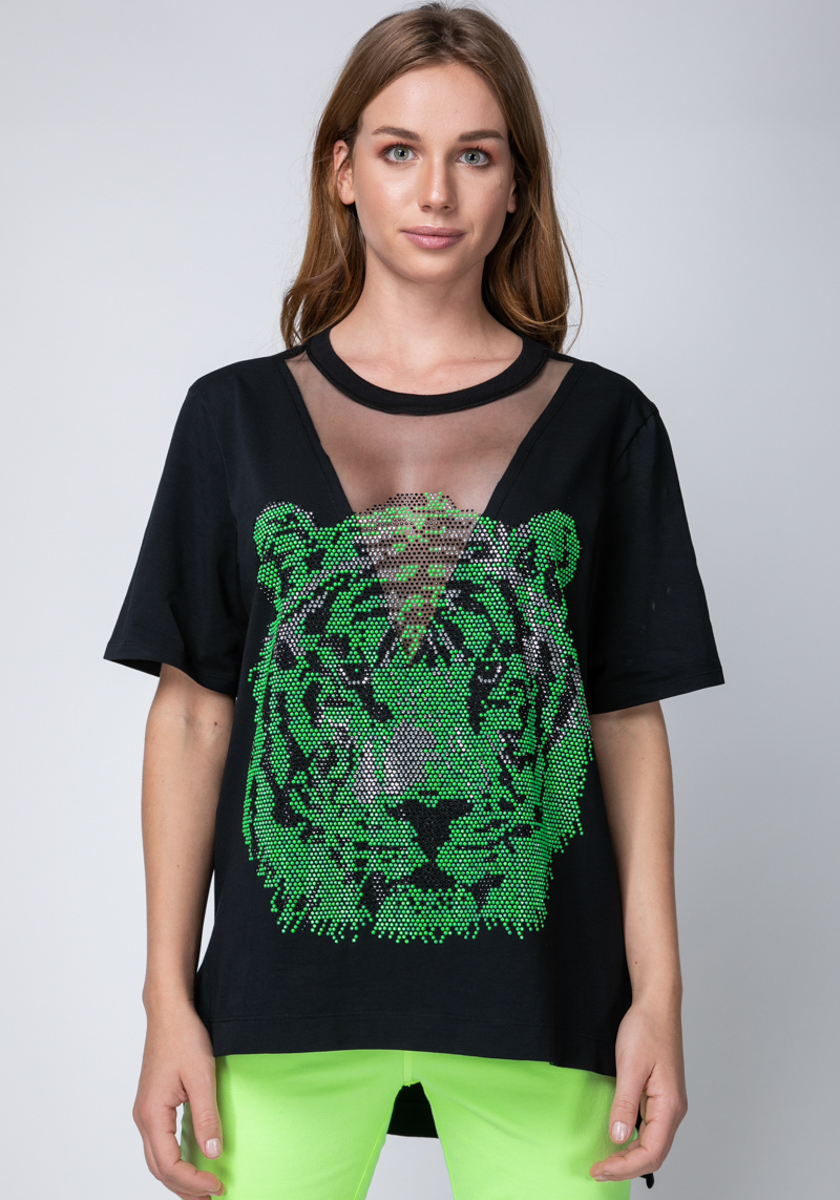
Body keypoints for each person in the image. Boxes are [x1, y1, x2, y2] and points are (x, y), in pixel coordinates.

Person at [104, 4, 724, 1198]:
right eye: (400, 150)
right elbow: (194, 715)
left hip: (543, 999)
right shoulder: (231, 416)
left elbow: (623, 721)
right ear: (343, 171)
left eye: (474, 154)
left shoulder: (608, 423)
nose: (435, 191)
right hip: (283, 1000)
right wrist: (166, 999)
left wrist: (659, 997)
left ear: (516, 186)